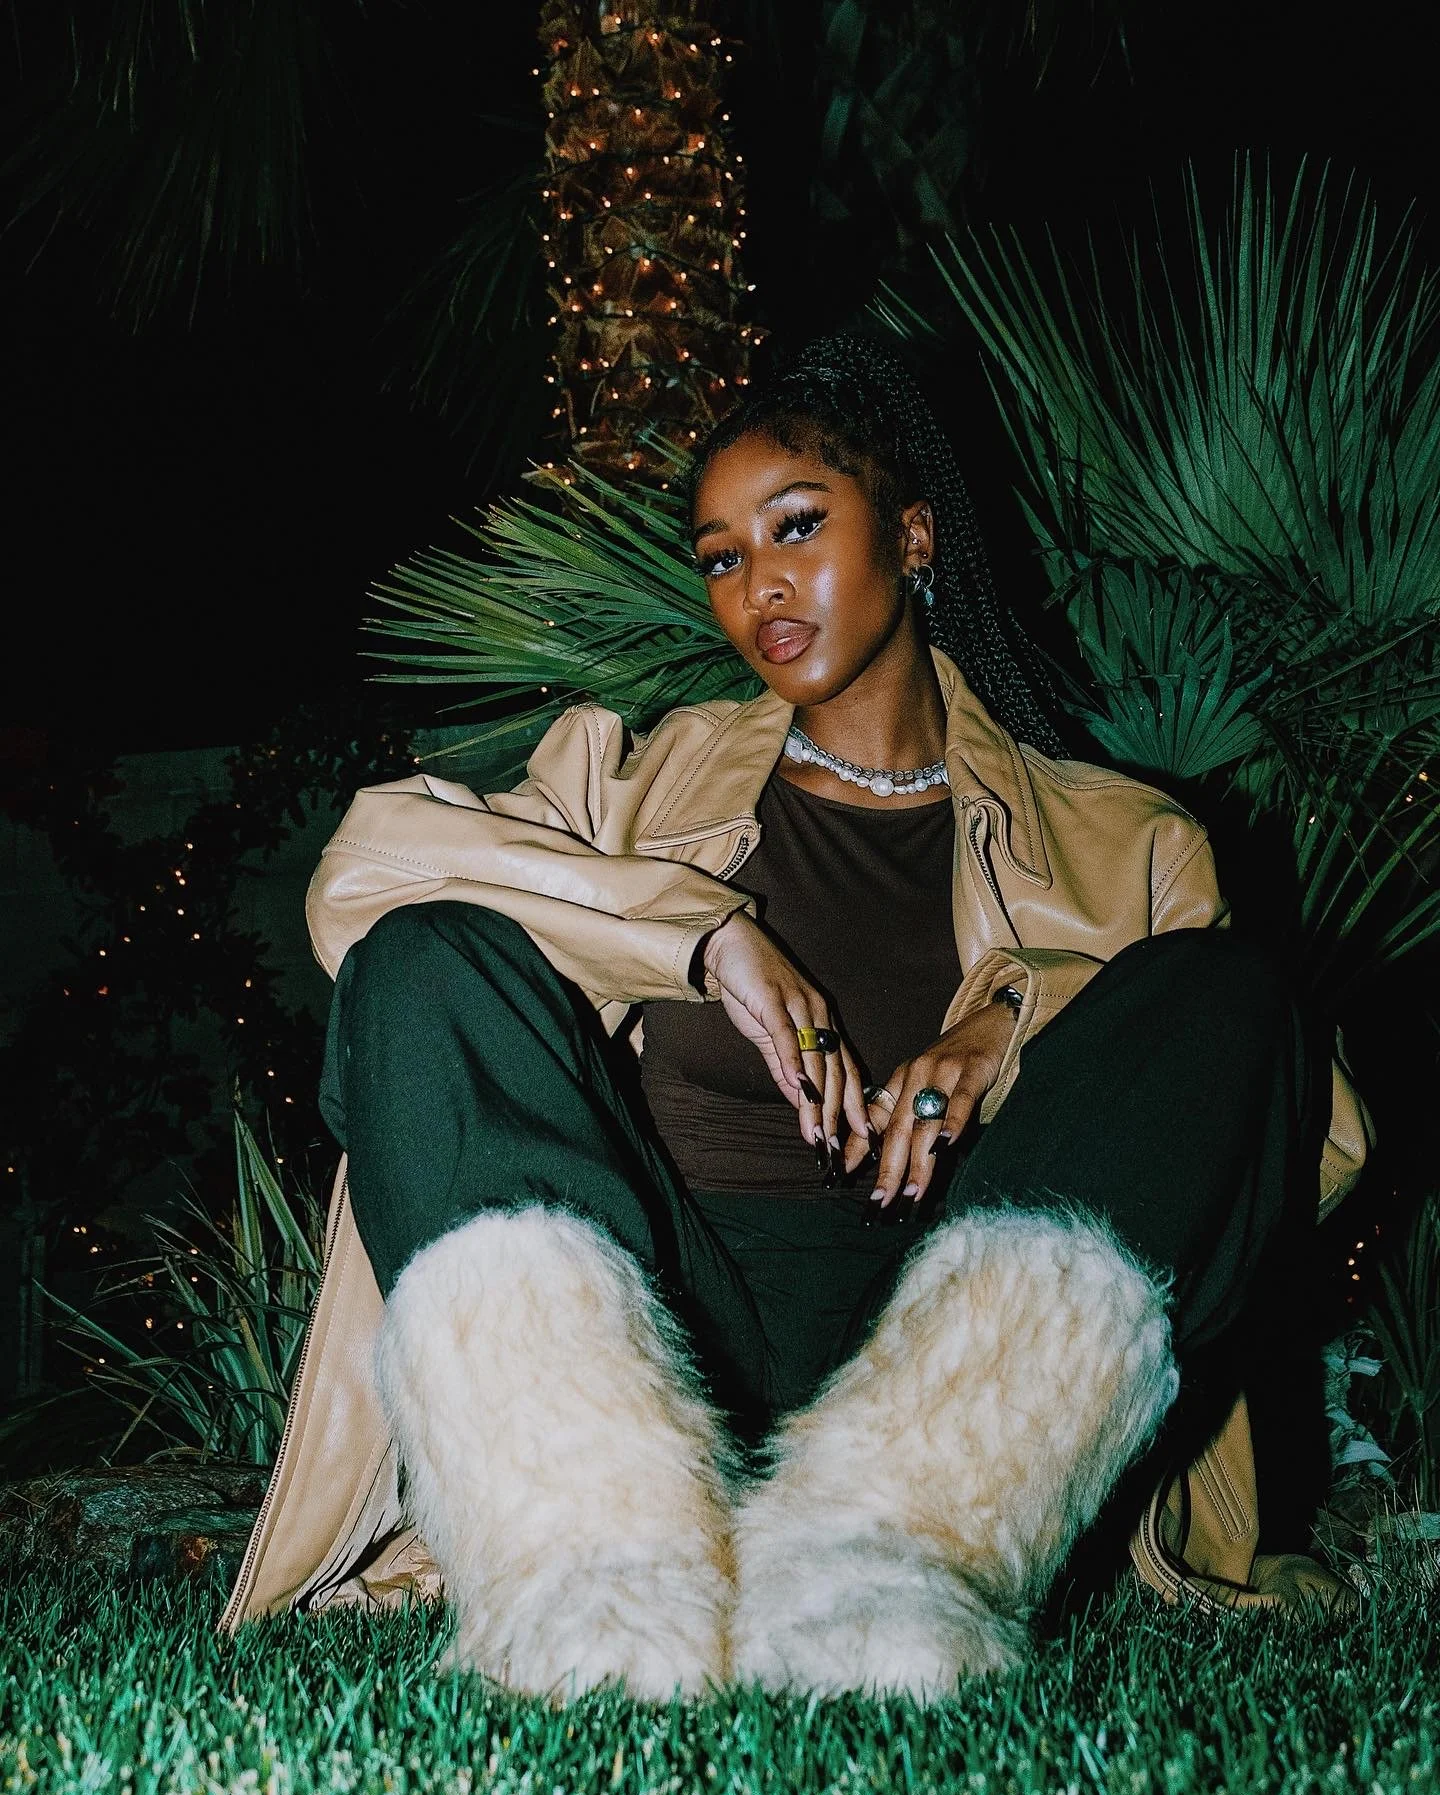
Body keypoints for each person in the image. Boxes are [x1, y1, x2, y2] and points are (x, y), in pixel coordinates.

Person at [219, 334, 1375, 1702]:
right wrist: (702, 936)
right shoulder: (644, 779)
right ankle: (590, 1562)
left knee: (1227, 993)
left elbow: (1308, 1129)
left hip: (944, 1372)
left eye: (798, 527)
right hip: (667, 1334)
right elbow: (365, 882)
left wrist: (1009, 1028)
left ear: (917, 534)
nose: (758, 582)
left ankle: (898, 1546)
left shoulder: (1125, 841)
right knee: (427, 962)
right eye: (720, 555)